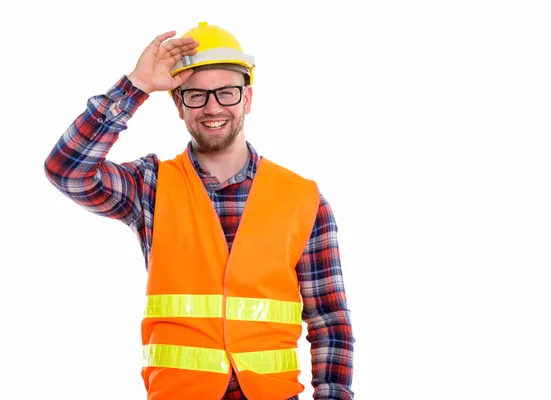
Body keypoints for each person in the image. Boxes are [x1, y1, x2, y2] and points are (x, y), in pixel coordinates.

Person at [43, 21, 355, 400]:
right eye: (196, 95)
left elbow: (329, 321)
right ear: (178, 104)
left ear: (248, 98)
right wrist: (135, 87)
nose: (213, 108)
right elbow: (66, 169)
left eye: (226, 93)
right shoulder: (151, 186)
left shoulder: (303, 198)